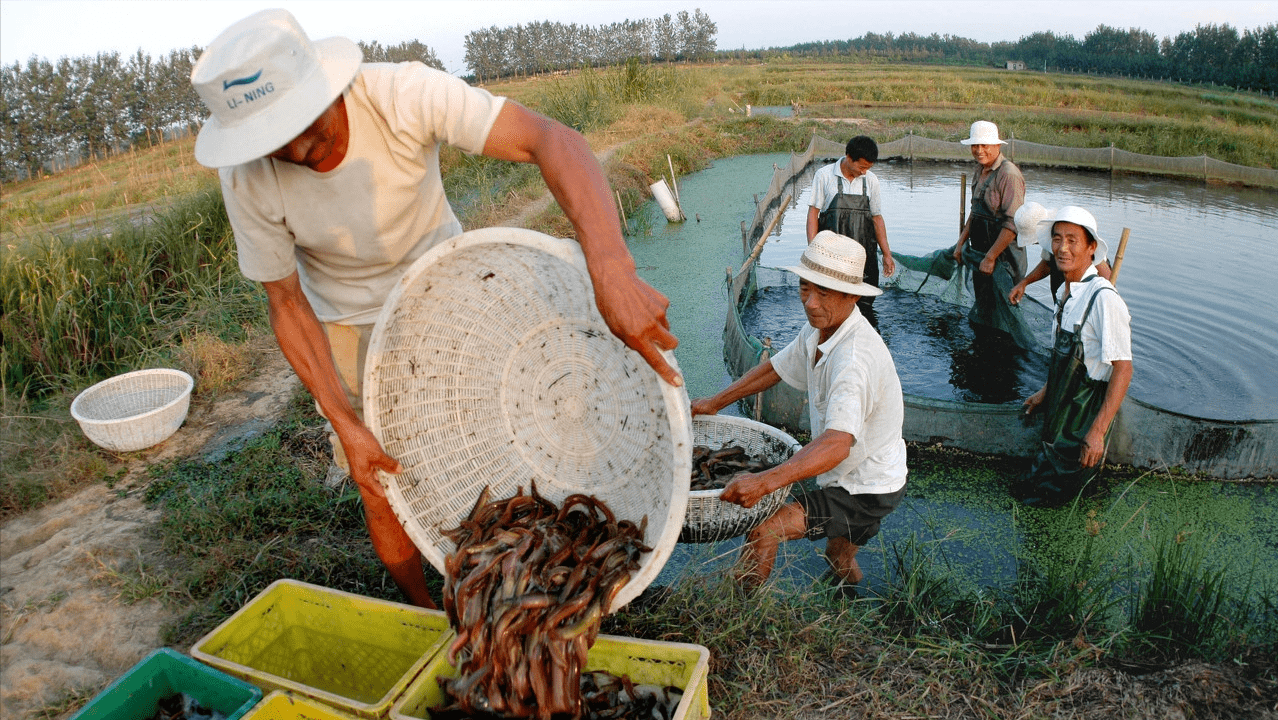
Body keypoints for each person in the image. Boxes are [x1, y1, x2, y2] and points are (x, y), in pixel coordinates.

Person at [189, 9, 681, 608]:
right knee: (379, 479)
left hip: (450, 288)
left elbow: (552, 138)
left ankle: (512, 582)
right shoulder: (246, 179)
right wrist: (344, 421)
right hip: (348, 317)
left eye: (305, 124)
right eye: (274, 141)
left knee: (485, 429)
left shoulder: (400, 94)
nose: (296, 147)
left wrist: (611, 268)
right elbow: (286, 303)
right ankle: (427, 612)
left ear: (328, 84)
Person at [690, 231, 908, 596]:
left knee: (765, 528)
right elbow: (776, 367)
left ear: (852, 296)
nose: (810, 302)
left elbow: (838, 443)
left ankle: (741, 613)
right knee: (837, 560)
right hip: (847, 470)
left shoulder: (853, 359)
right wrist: (715, 401)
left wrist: (766, 481)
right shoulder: (820, 328)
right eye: (805, 288)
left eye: (824, 293)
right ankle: (853, 608)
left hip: (867, 486)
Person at [1014, 206, 1132, 507]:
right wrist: (1045, 391)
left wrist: (1097, 431)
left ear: (1091, 248)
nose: (1062, 248)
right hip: (1058, 413)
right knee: (1030, 494)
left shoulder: (1104, 298)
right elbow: (1066, 362)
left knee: (1056, 504)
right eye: (1056, 239)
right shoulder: (1066, 294)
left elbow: (1123, 369)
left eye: (1072, 240)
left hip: (1081, 420)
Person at [806, 135, 895, 327]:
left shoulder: (871, 181)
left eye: (868, 168)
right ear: (848, 157)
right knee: (831, 306)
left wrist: (887, 254)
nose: (864, 172)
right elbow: (813, 214)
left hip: (864, 258)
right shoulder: (824, 176)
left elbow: (877, 218)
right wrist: (812, 250)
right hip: (832, 258)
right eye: (861, 167)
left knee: (864, 306)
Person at [950, 121, 1027, 339]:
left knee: (1005, 320)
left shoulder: (1009, 174)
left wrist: (991, 257)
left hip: (1004, 259)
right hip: (980, 254)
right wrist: (960, 243)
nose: (979, 150)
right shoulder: (980, 170)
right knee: (984, 311)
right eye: (975, 145)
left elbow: (1013, 223)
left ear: (997, 146)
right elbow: (975, 214)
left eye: (984, 145)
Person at [1008, 201, 1112, 306]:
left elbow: (1107, 276)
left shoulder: (1069, 230)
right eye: (1057, 240)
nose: (1063, 248)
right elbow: (1047, 264)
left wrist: (1107, 297)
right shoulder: (1054, 240)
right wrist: (1024, 283)